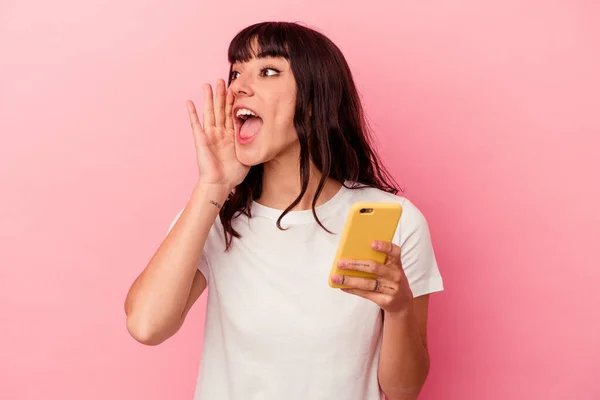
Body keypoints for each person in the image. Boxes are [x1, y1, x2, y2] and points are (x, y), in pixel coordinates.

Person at [124, 21, 444, 400]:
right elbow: (146, 326)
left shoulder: (397, 220)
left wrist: (400, 310)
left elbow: (403, 391)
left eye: (268, 71)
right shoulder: (215, 216)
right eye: (236, 71)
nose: (239, 85)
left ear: (312, 101)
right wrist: (212, 186)